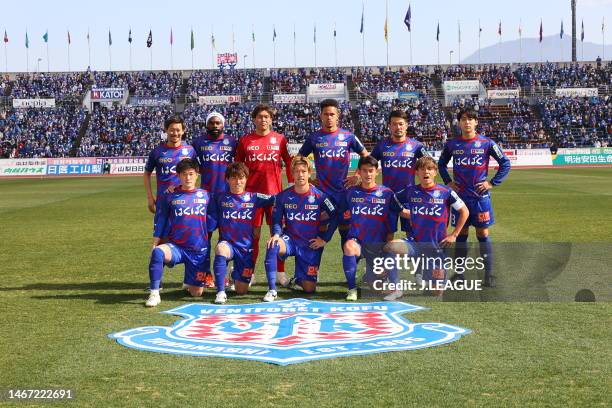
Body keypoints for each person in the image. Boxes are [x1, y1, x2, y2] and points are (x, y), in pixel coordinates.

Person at [438, 107, 511, 287]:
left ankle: (489, 274)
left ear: (476, 122)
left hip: (480, 198)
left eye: (471, 119)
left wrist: (492, 183)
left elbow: (505, 163)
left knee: (482, 233)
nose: (467, 122)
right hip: (459, 198)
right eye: (463, 119)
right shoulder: (453, 144)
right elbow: (440, 164)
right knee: (460, 234)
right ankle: (460, 275)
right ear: (459, 122)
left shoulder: (486, 143)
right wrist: (448, 181)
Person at [385, 156, 469, 299]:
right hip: (416, 243)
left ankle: (427, 272)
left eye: (430, 169)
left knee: (436, 292)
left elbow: (464, 211)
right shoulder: (410, 191)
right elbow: (392, 200)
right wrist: (406, 213)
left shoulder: (445, 192)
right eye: (422, 169)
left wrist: (454, 235)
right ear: (416, 172)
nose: (426, 172)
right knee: (389, 247)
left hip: (437, 246)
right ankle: (396, 288)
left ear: (435, 172)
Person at [298, 98, 369, 254]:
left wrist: (357, 174)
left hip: (343, 192)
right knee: (319, 230)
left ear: (338, 116)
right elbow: (299, 158)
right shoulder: (314, 138)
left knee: (346, 230)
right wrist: (309, 177)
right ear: (321, 116)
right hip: (322, 193)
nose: (329, 117)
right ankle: (311, 272)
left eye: (332, 114)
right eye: (326, 114)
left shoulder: (348, 136)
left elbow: (365, 155)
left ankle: (350, 270)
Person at [263, 155, 337, 301]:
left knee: (309, 288)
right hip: (290, 240)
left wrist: (324, 239)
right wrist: (277, 234)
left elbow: (334, 216)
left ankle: (297, 279)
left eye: (303, 171)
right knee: (273, 245)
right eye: (296, 171)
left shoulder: (320, 196)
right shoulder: (283, 196)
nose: (300, 174)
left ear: (309, 173)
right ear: (292, 173)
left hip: (310, 244)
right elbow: (276, 220)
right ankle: (272, 290)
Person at [235, 104, 293, 284]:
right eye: (260, 117)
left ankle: (280, 273)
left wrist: (290, 184)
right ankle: (249, 272)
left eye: (266, 116)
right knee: (253, 236)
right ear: (254, 119)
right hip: (252, 198)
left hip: (276, 196)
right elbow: (237, 166)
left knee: (278, 234)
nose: (263, 120)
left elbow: (289, 161)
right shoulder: (245, 140)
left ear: (271, 119)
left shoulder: (280, 139)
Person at [145, 158, 214, 307]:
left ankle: (189, 280)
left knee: (197, 293)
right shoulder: (170, 196)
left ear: (197, 174)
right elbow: (161, 220)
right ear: (178, 176)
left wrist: (206, 230)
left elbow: (213, 218)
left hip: (197, 251)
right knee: (158, 253)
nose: (187, 178)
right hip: (177, 247)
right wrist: (155, 243)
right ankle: (154, 293)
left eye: (191, 174)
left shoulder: (206, 196)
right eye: (184, 174)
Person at [339, 156, 408, 301]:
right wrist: (324, 236)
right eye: (364, 171)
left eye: (371, 171)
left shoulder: (387, 193)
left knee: (376, 289)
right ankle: (352, 289)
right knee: (349, 246)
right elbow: (338, 214)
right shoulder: (351, 193)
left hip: (379, 247)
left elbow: (402, 212)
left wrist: (423, 217)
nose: (368, 174)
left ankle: (371, 277)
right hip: (358, 243)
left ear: (377, 172)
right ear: (359, 172)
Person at [209, 162, 274, 304]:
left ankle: (234, 274)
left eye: (241, 178)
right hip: (228, 244)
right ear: (227, 179)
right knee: (221, 248)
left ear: (246, 179)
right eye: (233, 178)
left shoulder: (254, 197)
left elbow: (275, 198)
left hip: (246, 249)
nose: (237, 181)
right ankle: (220, 292)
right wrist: (175, 189)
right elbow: (197, 197)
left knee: (241, 291)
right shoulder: (219, 198)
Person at [191, 112, 237, 288]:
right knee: (205, 238)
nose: (215, 125)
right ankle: (206, 274)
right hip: (206, 199)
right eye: (212, 123)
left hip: (228, 198)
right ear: (207, 124)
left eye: (218, 123)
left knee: (228, 237)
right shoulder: (198, 143)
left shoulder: (232, 142)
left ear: (223, 124)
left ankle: (227, 275)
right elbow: (191, 167)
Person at [143, 115, 196, 239]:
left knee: (185, 241)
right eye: (171, 130)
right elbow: (146, 174)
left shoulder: (190, 151)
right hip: (163, 203)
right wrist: (150, 198)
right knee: (161, 242)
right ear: (166, 130)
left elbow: (196, 172)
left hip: (184, 204)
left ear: (183, 131)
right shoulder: (157, 152)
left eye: (178, 130)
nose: (175, 133)